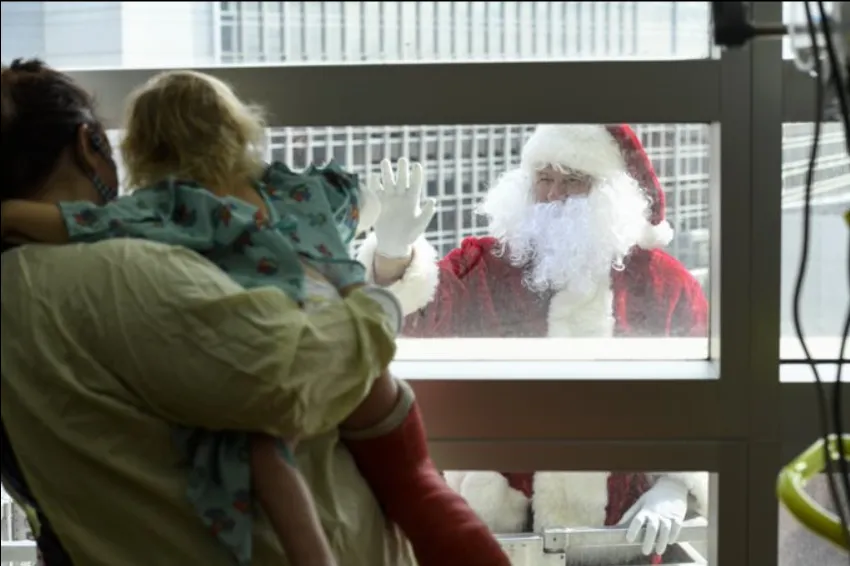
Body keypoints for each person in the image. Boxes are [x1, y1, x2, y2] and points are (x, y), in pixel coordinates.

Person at [0, 59, 508, 566]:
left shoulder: (103, 245)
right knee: (419, 490)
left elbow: (82, 222)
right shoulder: (124, 269)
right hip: (343, 366)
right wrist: (377, 305)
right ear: (89, 144)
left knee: (283, 463)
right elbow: (291, 373)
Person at [356, 124, 711, 563]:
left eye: (574, 180)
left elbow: (696, 401)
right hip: (497, 532)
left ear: (611, 195)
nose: (553, 194)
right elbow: (413, 320)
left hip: (620, 539)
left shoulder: (664, 284)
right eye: (544, 177)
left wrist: (676, 486)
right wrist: (392, 256)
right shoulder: (485, 266)